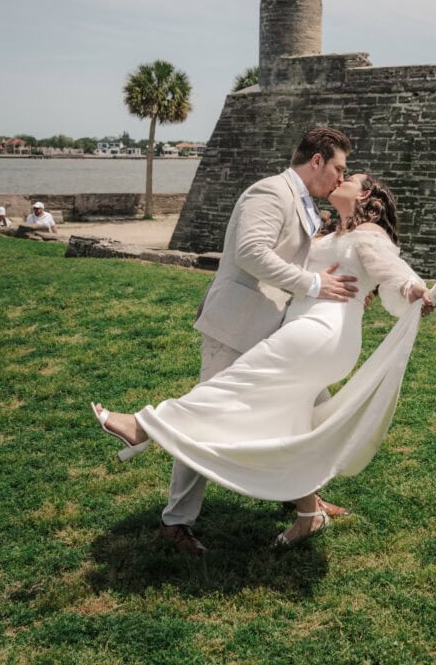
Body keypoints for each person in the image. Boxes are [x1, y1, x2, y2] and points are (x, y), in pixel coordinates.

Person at [93, 173, 436, 549]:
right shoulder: (331, 231)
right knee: (293, 426)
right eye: (340, 170)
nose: (341, 178)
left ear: (364, 194)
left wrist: (413, 290)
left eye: (350, 176)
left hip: (317, 333)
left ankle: (142, 426)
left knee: (235, 387)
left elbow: (392, 270)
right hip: (309, 332)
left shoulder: (368, 234)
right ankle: (308, 512)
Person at [146, 127, 358, 555]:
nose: (340, 178)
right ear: (316, 161)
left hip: (277, 331)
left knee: (312, 407)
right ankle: (176, 522)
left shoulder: (303, 203)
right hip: (236, 325)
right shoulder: (269, 192)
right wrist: (313, 285)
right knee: (204, 418)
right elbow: (251, 253)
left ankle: (304, 499)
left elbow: (296, 252)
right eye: (338, 168)